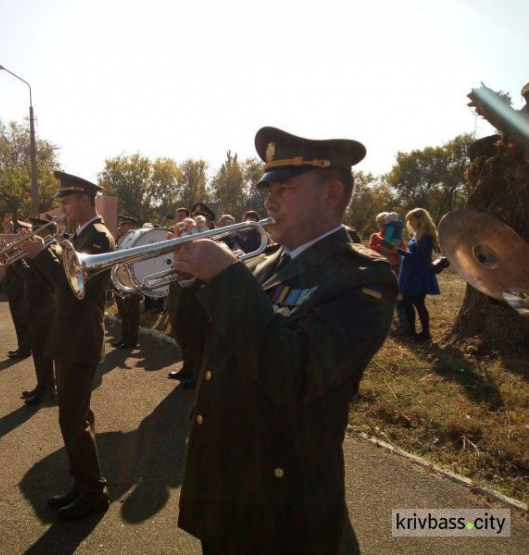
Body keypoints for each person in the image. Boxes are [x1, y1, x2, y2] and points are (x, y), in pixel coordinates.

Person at [172, 126, 397, 553]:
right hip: (223, 484)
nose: (269, 201)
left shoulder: (363, 278)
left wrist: (225, 279)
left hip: (282, 499)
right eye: (268, 190)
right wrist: (184, 276)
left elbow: (292, 375)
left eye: (285, 189)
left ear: (331, 195)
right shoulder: (260, 264)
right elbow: (199, 347)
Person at [21, 171, 115, 520]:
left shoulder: (99, 238)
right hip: (69, 336)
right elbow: (57, 287)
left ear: (86, 201)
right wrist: (42, 256)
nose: (61, 206)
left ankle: (94, 493)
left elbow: (77, 289)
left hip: (80, 338)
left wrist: (41, 256)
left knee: (73, 418)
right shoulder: (80, 235)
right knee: (73, 418)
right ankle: (83, 484)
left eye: (66, 200)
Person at [166, 201, 215, 389]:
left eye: (202, 221)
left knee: (196, 335)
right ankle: (187, 368)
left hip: (200, 297)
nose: (198, 223)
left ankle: (198, 375)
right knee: (182, 331)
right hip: (181, 292)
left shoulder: (215, 243)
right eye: (196, 220)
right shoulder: (185, 239)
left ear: (209, 224)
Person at [16, 217, 59, 406]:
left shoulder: (53, 249)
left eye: (35, 230)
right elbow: (29, 274)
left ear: (44, 232)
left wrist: (23, 258)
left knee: (43, 352)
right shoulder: (42, 251)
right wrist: (19, 255)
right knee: (38, 352)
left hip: (45, 309)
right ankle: (42, 386)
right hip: (35, 307)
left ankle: (47, 389)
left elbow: (33, 276)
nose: (32, 233)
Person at [398, 207, 441, 341]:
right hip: (409, 273)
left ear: (419, 219)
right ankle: (412, 331)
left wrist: (398, 251)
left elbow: (418, 256)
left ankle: (425, 333)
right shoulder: (416, 234)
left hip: (419, 274)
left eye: (411, 219)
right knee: (406, 302)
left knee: (418, 303)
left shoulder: (427, 236)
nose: (409, 222)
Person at [368, 212, 407, 329]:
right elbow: (369, 250)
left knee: (397, 291)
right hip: (379, 266)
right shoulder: (375, 236)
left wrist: (392, 249)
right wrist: (381, 247)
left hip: (394, 265)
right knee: (379, 291)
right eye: (379, 222)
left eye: (383, 221)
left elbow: (402, 249)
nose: (381, 224)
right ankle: (381, 319)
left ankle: (402, 321)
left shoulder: (397, 236)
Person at [111, 216, 142, 348]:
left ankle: (131, 339)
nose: (120, 227)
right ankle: (125, 336)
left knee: (131, 313)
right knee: (123, 313)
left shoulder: (138, 240)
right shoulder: (121, 239)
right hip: (119, 280)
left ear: (130, 226)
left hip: (131, 281)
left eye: (123, 225)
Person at [4, 221, 33, 360]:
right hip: (14, 286)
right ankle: (23, 346)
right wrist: (5, 252)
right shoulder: (22, 247)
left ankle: (25, 347)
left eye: (22, 230)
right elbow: (7, 262)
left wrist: (15, 255)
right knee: (18, 319)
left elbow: (26, 268)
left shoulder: (32, 248)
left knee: (22, 320)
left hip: (22, 289)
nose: (19, 233)